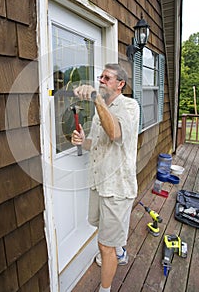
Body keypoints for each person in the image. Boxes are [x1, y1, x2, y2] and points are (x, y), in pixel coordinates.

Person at [71, 63, 140, 292]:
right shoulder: (99, 111)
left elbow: (115, 134)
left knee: (104, 244)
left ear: (120, 84)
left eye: (107, 78)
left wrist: (96, 99)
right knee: (102, 228)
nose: (101, 80)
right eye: (100, 77)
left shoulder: (130, 106)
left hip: (117, 189)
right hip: (100, 184)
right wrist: (83, 140)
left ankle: (105, 288)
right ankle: (118, 251)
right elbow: (97, 144)